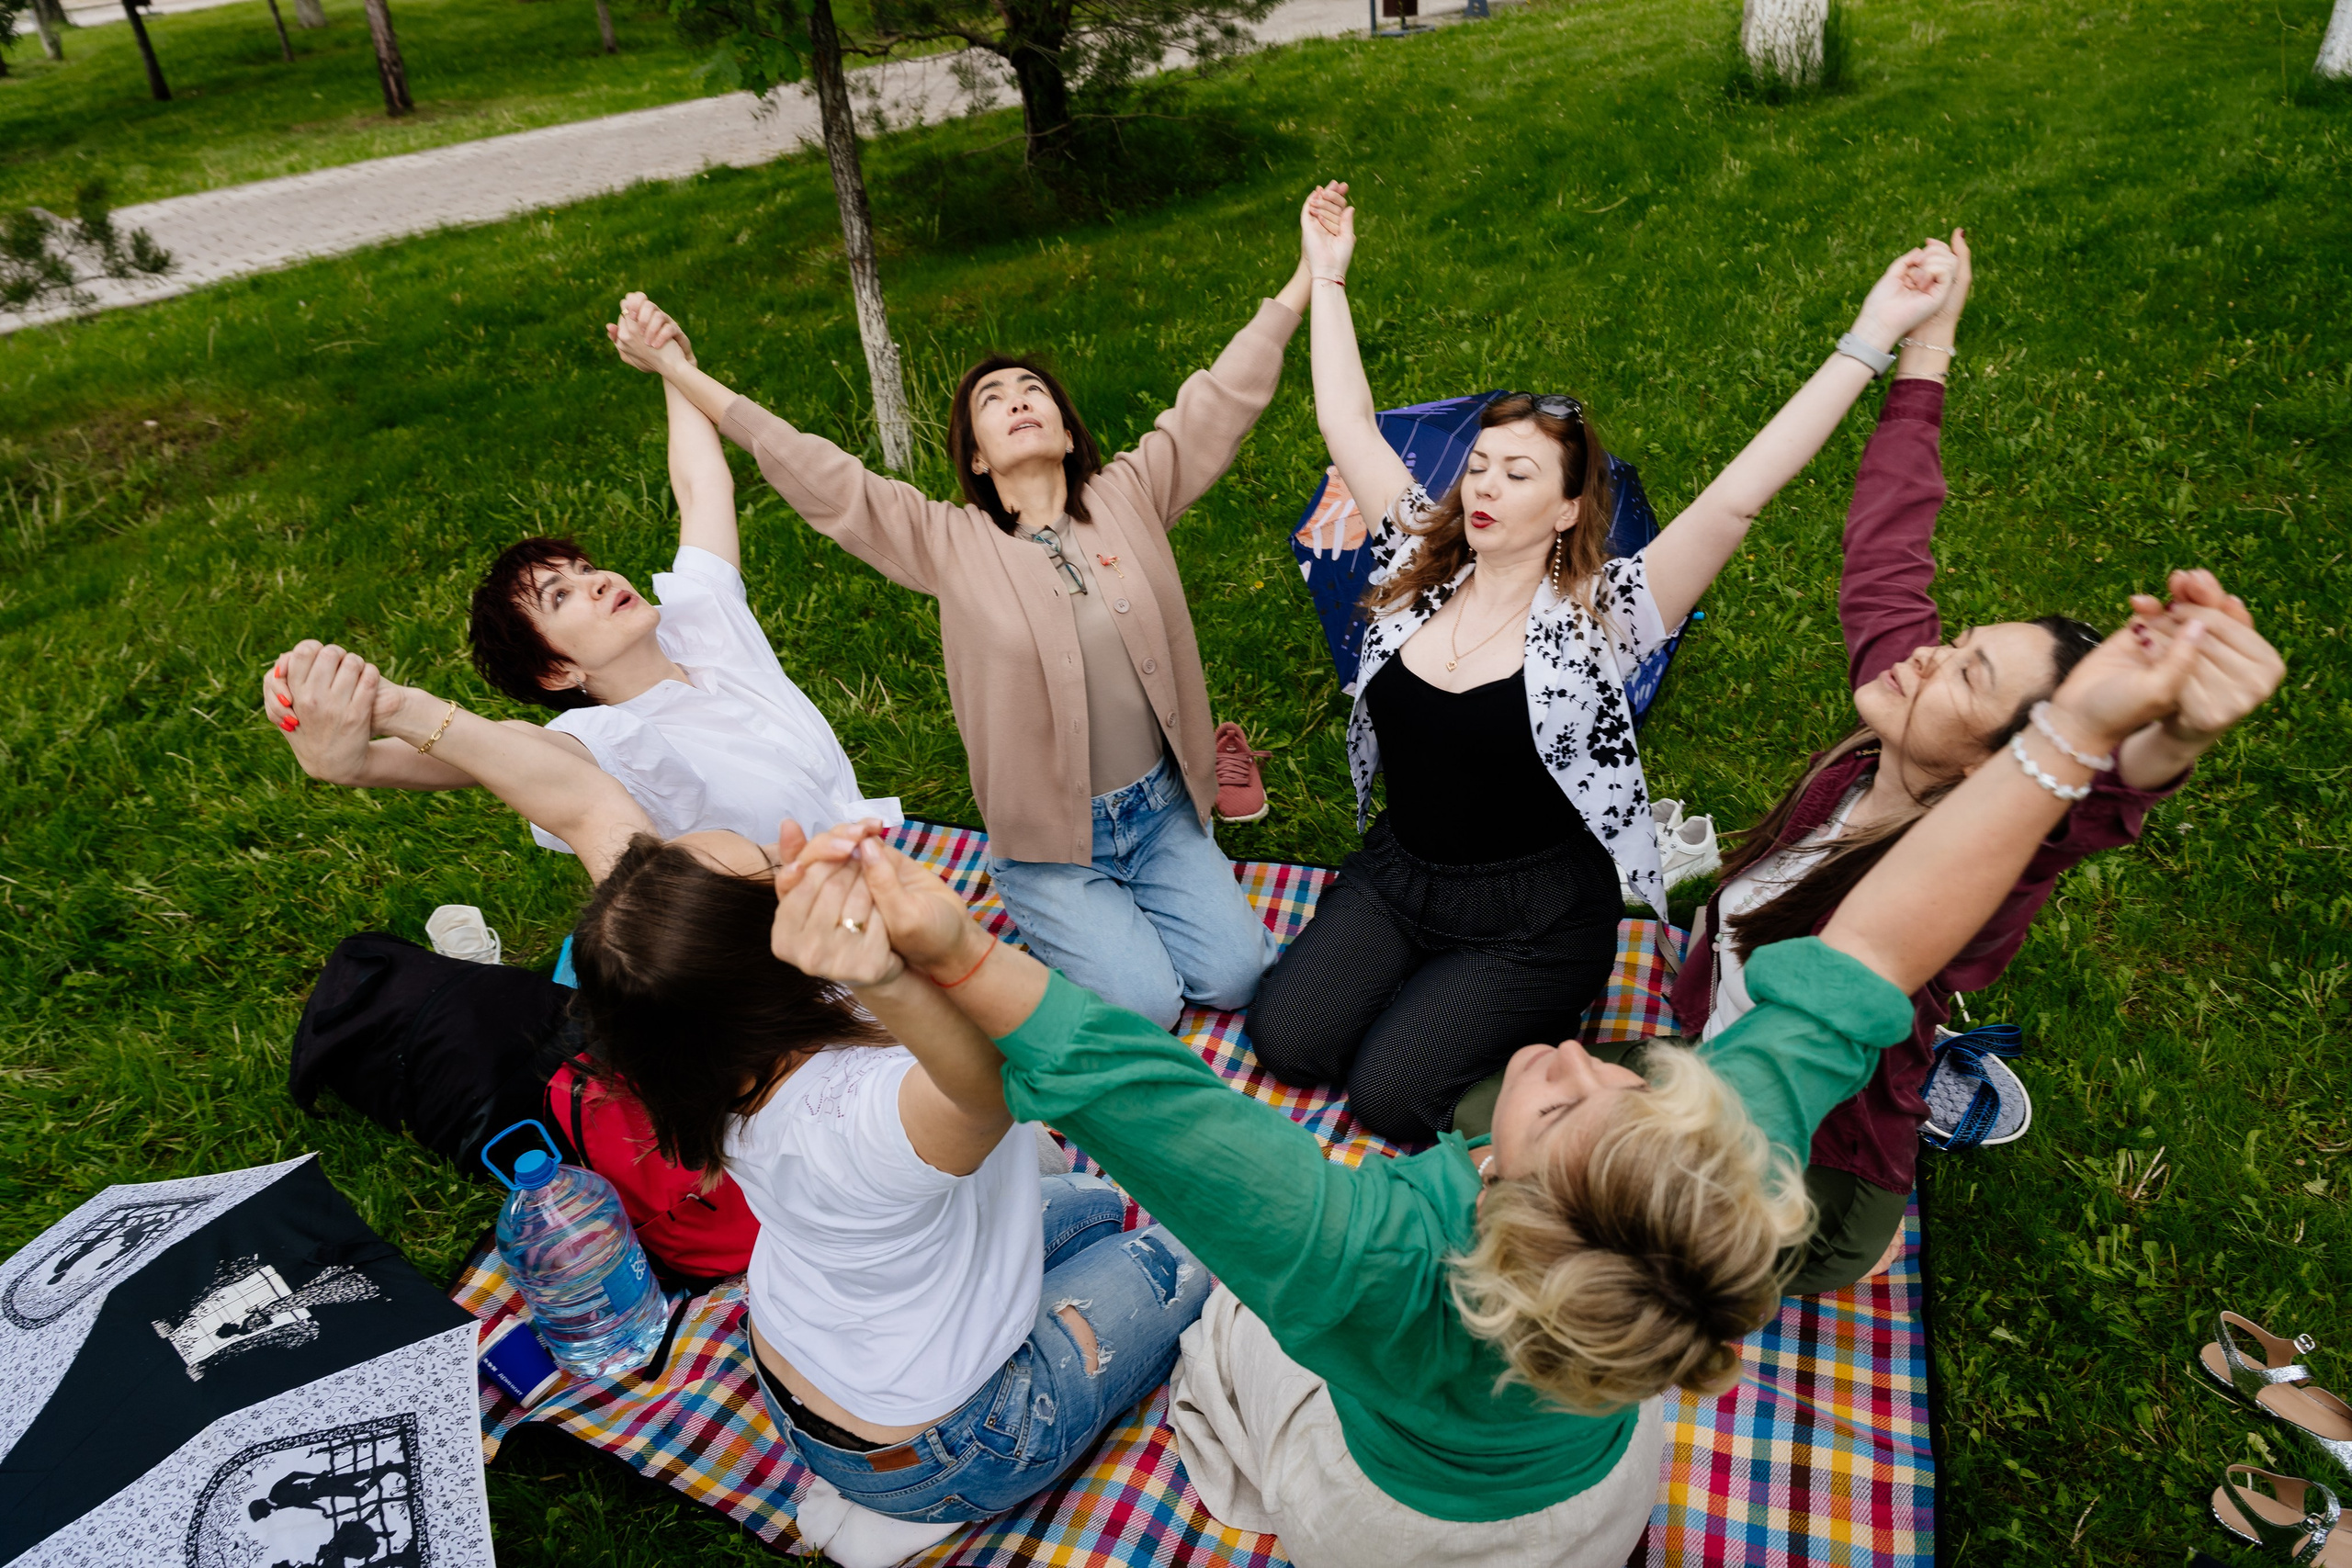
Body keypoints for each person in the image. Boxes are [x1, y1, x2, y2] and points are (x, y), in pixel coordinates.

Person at [763, 584, 2248, 1568]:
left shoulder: (1362, 1260)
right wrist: (2077, 735)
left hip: (1388, 1520)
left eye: (1550, 1103)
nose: (1563, 1053)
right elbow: (1878, 946)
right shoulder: (1714, 1153)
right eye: (1616, 1083)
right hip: (1586, 1499)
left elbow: (1126, 1088)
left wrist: (944, 945)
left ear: (1493, 1208)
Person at [265, 646, 1208, 1564]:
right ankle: (913, 1516)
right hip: (950, 1440)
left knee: (1083, 1206)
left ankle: (878, 1467)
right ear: (778, 956)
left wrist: (397, 710)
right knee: (1177, 1254)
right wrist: (891, 959)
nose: (783, 853)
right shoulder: (861, 1112)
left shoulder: (689, 1021)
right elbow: (989, 1076)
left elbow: (580, 799)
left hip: (813, 1365)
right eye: (767, 868)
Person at [1245, 186, 1957, 1145]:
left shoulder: (1603, 615)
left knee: (1390, 1096)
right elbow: (1349, 425)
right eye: (1481, 465)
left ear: (1570, 509)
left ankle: (1531, 1019)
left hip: (1529, 915)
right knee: (1285, 1039)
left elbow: (1742, 494)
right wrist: (1327, 273)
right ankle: (1425, 992)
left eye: (1520, 473)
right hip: (1400, 875)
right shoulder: (1417, 559)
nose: (1487, 486)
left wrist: (1874, 335)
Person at [1668, 231, 2288, 1292]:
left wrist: (2175, 730)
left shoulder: (1975, 866)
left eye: (1965, 676)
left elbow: (2084, 802)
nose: (1923, 657)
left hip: (1812, 1174)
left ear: (2002, 774)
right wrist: (1928, 348)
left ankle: (1919, 1109)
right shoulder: (1888, 732)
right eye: (1955, 642)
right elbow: (1889, 545)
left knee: (1587, 1200)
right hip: (1711, 1050)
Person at [600, 193, 1337, 1030]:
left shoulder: (1131, 493)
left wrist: (1308, 273)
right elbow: (815, 469)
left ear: (1065, 431)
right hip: (1055, 846)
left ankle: (1152, 897)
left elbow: (1221, 399)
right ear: (978, 458)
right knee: (1147, 1005)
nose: (1019, 398)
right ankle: (1045, 905)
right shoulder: (944, 542)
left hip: (1162, 811)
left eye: (1034, 391)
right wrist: (677, 370)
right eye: (995, 400)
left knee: (1240, 978)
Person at [262, 318, 897, 855]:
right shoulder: (613, 741)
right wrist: (360, 759)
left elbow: (702, 488)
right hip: (812, 945)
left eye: (584, 571)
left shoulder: (698, 618)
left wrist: (675, 365)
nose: (594, 583)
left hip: (878, 858)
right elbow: (497, 751)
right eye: (559, 597)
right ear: (557, 670)